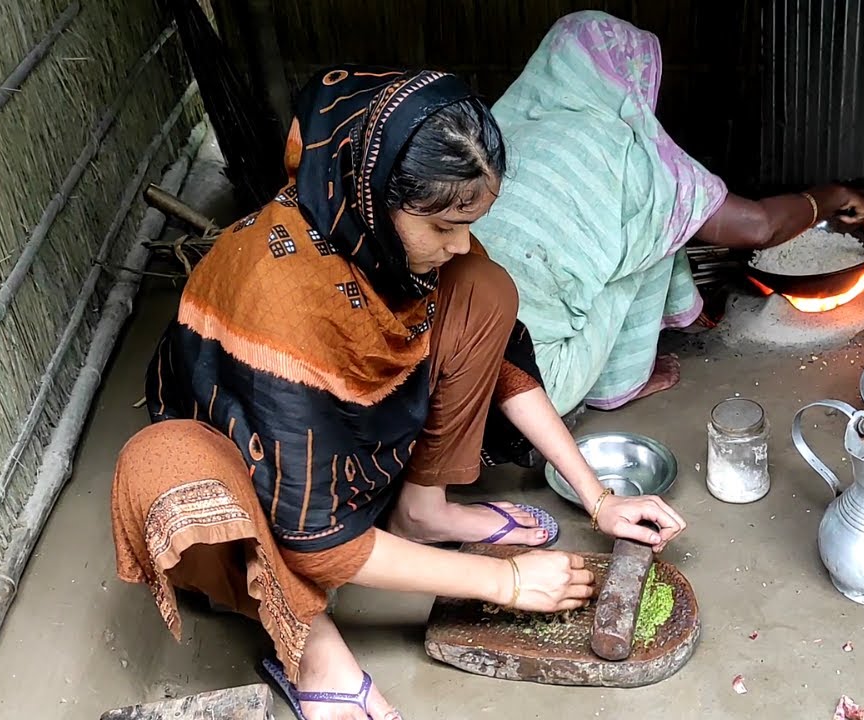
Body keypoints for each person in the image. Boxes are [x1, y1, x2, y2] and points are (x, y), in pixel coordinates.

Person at [111, 67, 686, 720]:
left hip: (334, 454)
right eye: (443, 225)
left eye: (470, 219)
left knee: (481, 286)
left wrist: (598, 494)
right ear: (375, 192)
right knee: (165, 471)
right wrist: (508, 580)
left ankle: (422, 507)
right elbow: (319, 541)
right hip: (252, 493)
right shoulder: (282, 303)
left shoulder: (372, 237)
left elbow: (496, 358)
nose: (460, 241)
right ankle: (309, 645)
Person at [472, 11, 864, 416]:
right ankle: (623, 379)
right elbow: (759, 227)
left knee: (655, 217)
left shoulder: (500, 137)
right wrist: (832, 196)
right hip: (533, 387)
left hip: (456, 359)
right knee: (662, 220)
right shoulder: (636, 158)